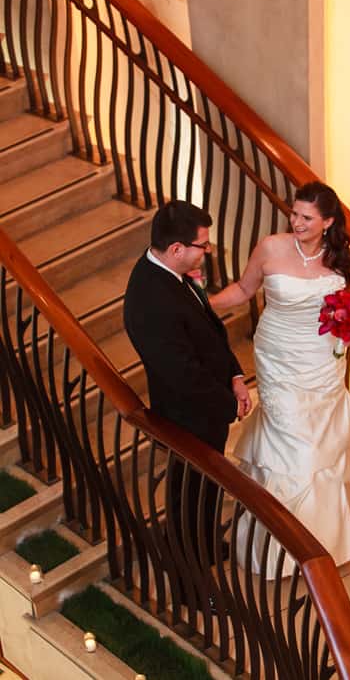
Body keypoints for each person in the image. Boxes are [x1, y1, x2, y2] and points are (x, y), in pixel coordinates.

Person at [210, 181, 350, 575]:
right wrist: (199, 306)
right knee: (295, 441)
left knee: (319, 436)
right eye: (294, 213)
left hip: (322, 359)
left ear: (328, 222)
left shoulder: (344, 261)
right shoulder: (271, 247)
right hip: (278, 356)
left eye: (306, 217)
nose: (295, 221)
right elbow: (243, 289)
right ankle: (287, 541)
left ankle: (317, 534)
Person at [123, 201, 252, 574]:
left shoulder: (172, 272)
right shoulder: (151, 300)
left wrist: (235, 374)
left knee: (206, 493)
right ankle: (190, 582)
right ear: (177, 249)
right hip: (186, 418)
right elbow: (183, 374)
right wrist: (227, 406)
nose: (207, 251)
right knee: (189, 501)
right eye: (203, 245)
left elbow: (209, 329)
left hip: (204, 408)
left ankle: (208, 544)